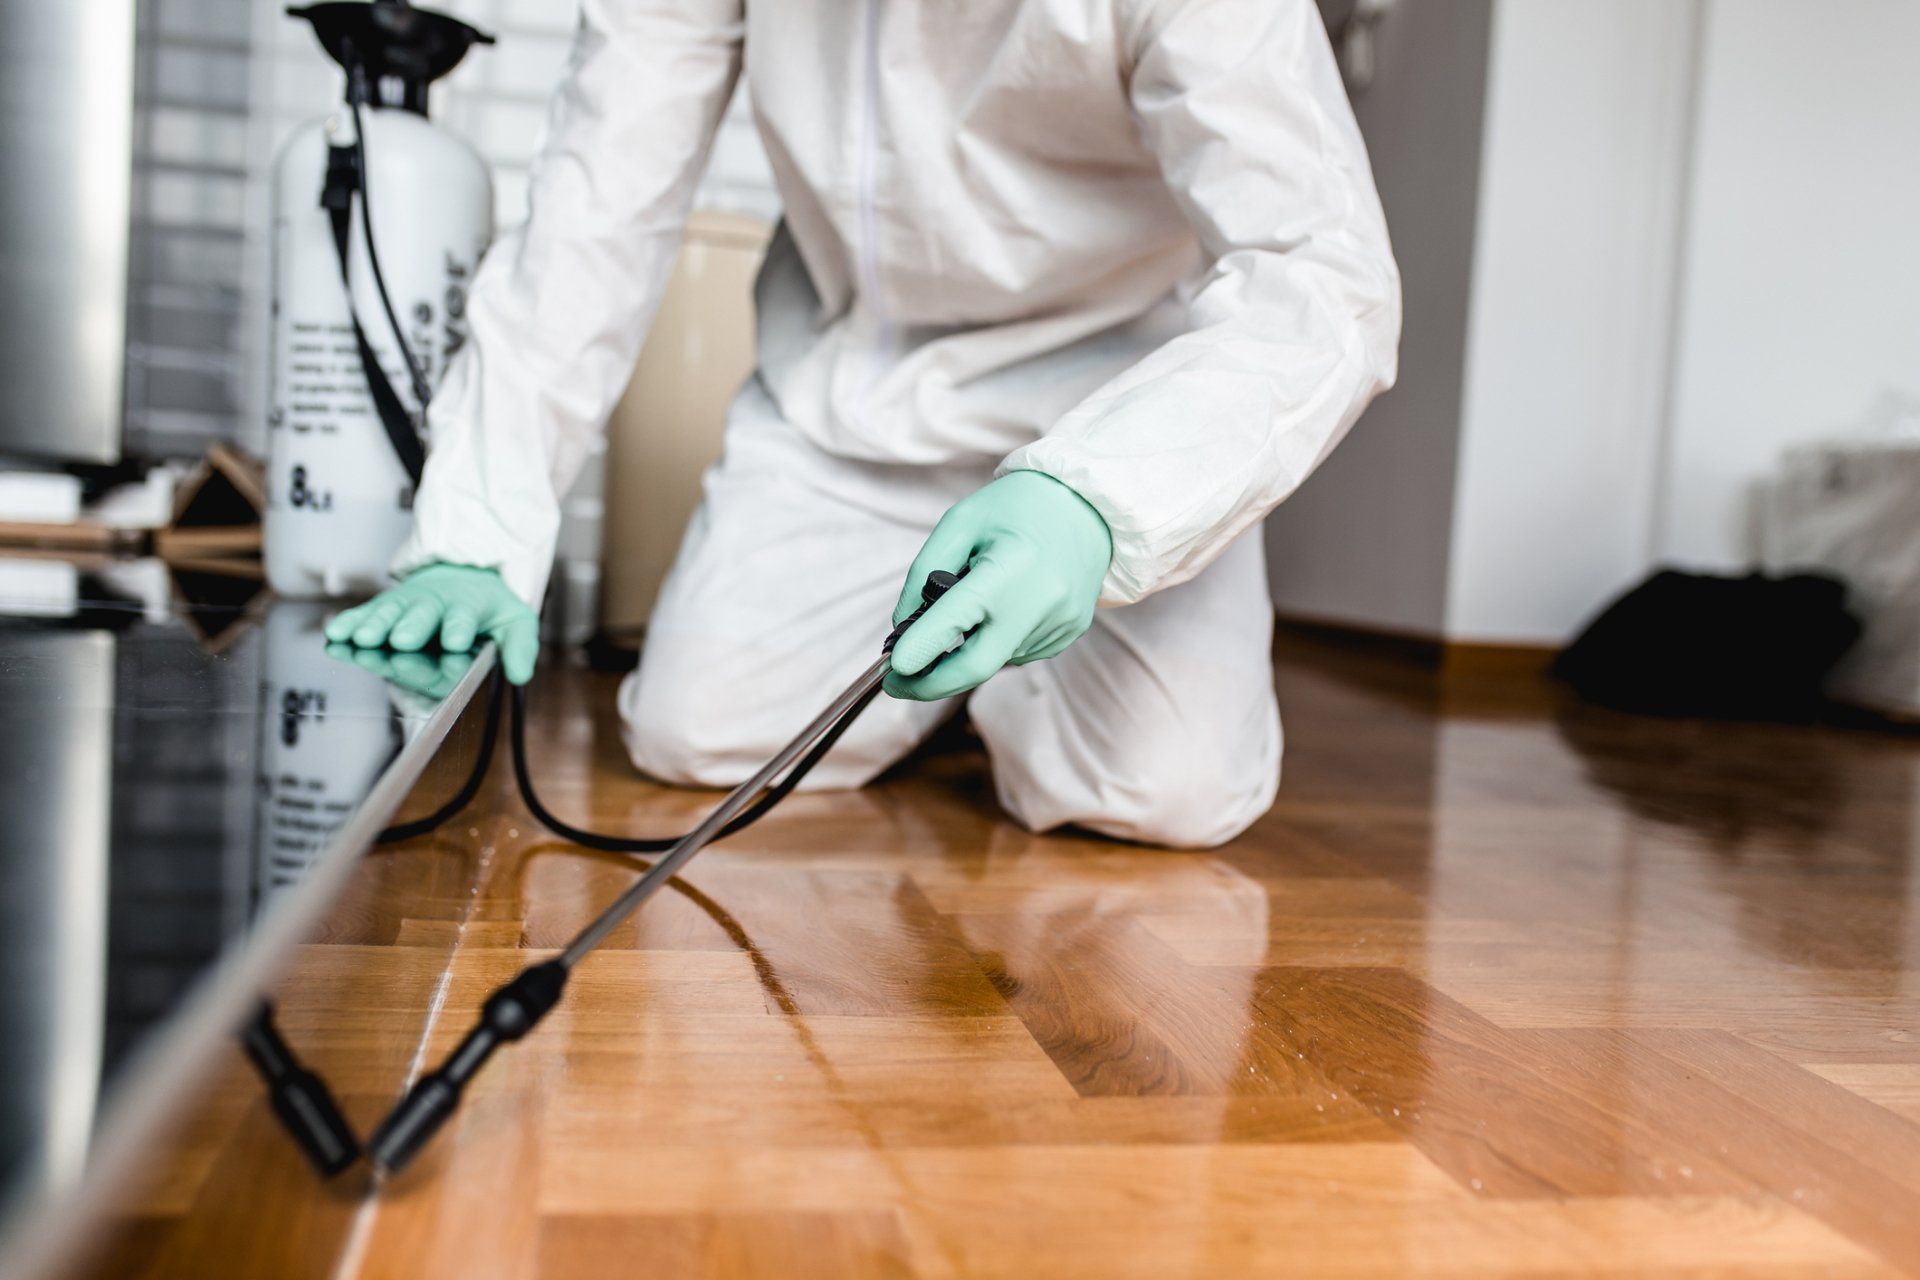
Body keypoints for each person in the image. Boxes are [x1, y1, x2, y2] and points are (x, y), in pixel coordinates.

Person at [326, 0, 1401, 849]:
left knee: (1160, 789)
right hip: (854, 404)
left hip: (1111, 415)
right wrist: (473, 529)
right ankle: (960, 685)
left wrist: (1097, 505)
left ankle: (1015, 643)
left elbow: (1321, 272)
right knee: (694, 730)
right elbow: (597, 210)